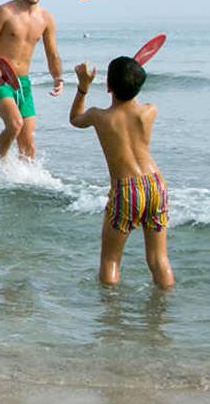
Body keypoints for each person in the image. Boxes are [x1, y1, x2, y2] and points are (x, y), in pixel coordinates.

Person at [69, 58, 174, 288]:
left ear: (108, 86)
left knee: (111, 260)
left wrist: (83, 87)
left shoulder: (99, 116)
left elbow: (75, 118)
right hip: (155, 184)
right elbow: (132, 96)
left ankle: (111, 309)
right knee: (159, 259)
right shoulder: (149, 111)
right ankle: (164, 305)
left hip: (127, 189)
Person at [0, 0, 64, 162]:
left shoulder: (46, 19)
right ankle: (2, 166)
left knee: (28, 143)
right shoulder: (4, 12)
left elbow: (52, 54)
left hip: (22, 82)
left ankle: (26, 176)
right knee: (15, 124)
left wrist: (58, 78)